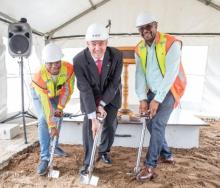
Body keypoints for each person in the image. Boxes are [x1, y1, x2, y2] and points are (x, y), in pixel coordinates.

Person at [134, 12, 187, 181]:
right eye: (141, 28)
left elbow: (171, 73)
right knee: (150, 123)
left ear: (156, 25)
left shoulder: (171, 43)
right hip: (153, 91)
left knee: (157, 123)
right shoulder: (139, 48)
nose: (145, 30)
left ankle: (150, 165)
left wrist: (157, 100)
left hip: (171, 90)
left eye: (148, 26)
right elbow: (140, 75)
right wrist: (143, 98)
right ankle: (166, 154)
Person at [73, 23, 123, 175]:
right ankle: (88, 163)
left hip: (111, 96)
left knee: (110, 125)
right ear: (87, 43)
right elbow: (84, 88)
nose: (97, 48)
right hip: (90, 97)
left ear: (106, 43)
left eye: (101, 43)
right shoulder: (79, 60)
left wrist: (102, 104)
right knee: (89, 127)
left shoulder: (116, 55)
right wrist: (93, 117)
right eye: (93, 44)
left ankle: (103, 151)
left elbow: (115, 83)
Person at [31, 43, 75, 175]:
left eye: (56, 62)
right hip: (40, 94)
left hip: (57, 93)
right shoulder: (39, 76)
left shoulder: (68, 68)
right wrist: (52, 125)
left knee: (58, 115)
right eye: (49, 63)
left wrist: (60, 108)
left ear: (60, 60)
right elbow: (45, 104)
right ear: (45, 62)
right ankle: (44, 157)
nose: (53, 66)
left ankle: (54, 146)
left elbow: (68, 90)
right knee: (44, 119)